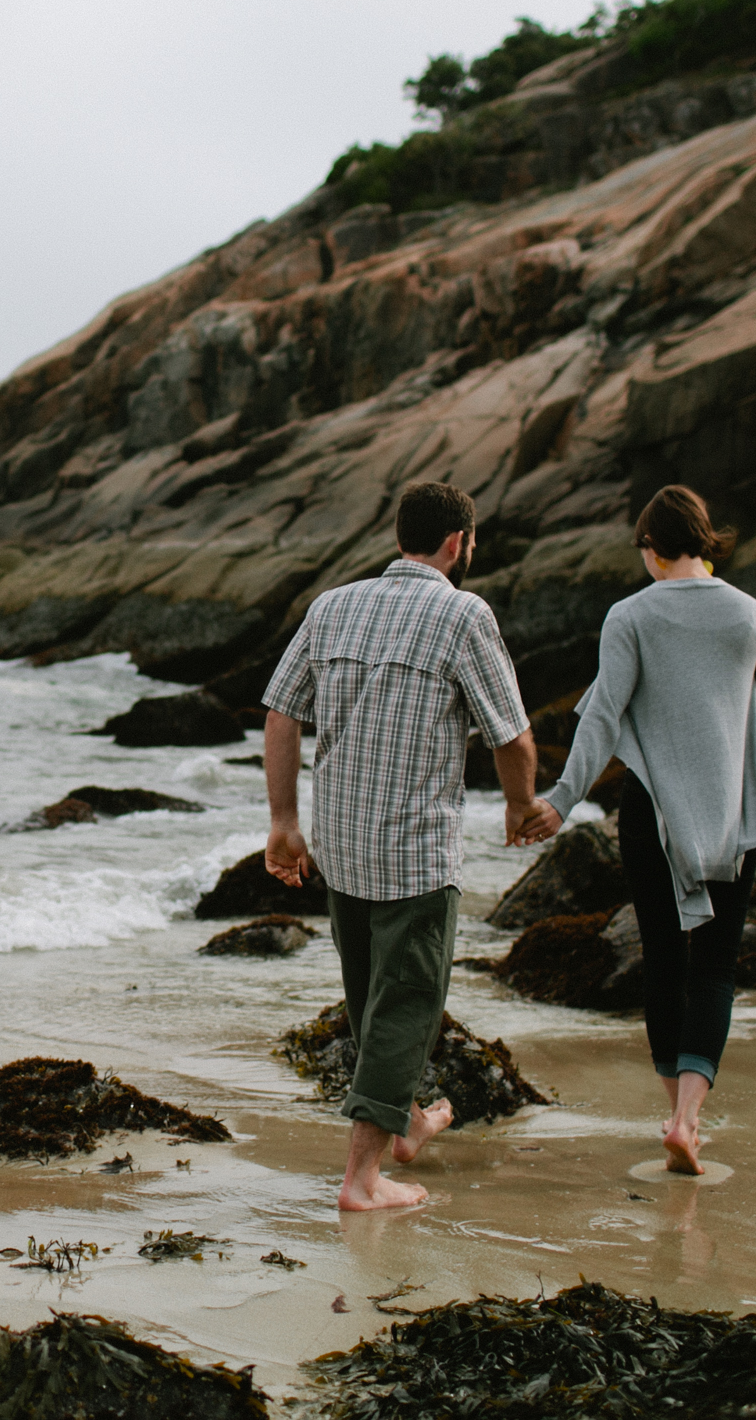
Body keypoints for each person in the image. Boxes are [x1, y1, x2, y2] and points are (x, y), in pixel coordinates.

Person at [515, 484, 756, 1175]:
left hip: (651, 813)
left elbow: (603, 716)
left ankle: (674, 1116)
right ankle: (689, 1118)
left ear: (651, 547)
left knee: (664, 961)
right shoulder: (755, 615)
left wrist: (560, 798)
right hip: (732, 813)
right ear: (705, 540)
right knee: (717, 965)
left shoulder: (629, 615)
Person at [261, 481, 541, 1212]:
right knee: (408, 1001)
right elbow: (511, 733)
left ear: (399, 536)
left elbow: (282, 711)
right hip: (416, 851)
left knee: (370, 999)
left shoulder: (333, 606)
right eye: (470, 544)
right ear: (458, 543)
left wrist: (283, 821)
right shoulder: (462, 613)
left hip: (344, 843)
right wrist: (520, 804)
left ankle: (409, 1120)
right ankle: (361, 1180)